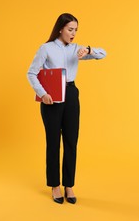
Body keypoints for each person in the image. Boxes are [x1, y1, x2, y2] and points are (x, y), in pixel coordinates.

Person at [27, 13, 107, 204]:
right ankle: (55, 185)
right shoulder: (45, 48)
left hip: (70, 94)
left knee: (71, 141)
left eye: (76, 30)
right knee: (53, 142)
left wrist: (88, 50)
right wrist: (43, 93)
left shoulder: (76, 49)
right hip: (51, 98)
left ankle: (68, 185)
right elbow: (31, 73)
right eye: (70, 29)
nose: (73, 34)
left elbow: (103, 54)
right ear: (61, 28)